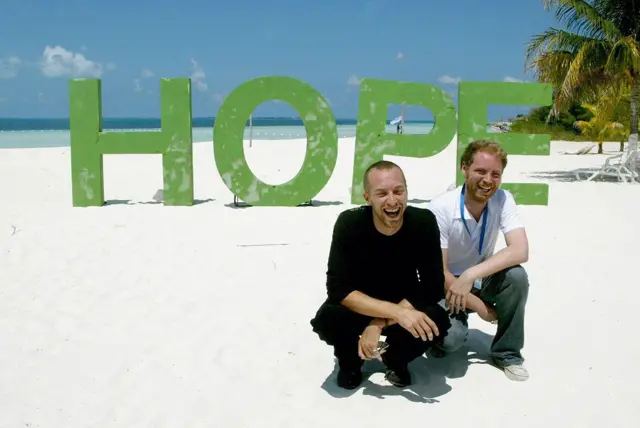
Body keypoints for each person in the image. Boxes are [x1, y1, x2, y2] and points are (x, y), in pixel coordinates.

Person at [310, 160, 451, 390]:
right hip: (361, 306)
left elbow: (432, 285)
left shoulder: (423, 222)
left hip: (404, 303)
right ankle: (351, 362)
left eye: (398, 191)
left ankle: (395, 359)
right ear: (368, 198)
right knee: (328, 318)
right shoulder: (350, 223)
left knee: (436, 320)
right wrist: (392, 313)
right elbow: (338, 288)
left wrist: (379, 323)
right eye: (382, 194)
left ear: (407, 192)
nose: (393, 201)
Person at [427, 139, 531, 381]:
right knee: (450, 341)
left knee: (517, 276)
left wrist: (471, 275)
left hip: (475, 279)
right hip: (445, 285)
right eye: (480, 171)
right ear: (464, 168)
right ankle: (436, 338)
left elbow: (521, 250)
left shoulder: (503, 199)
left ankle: (506, 353)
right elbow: (437, 272)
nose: (488, 180)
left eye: (496, 174)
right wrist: (481, 308)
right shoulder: (440, 207)